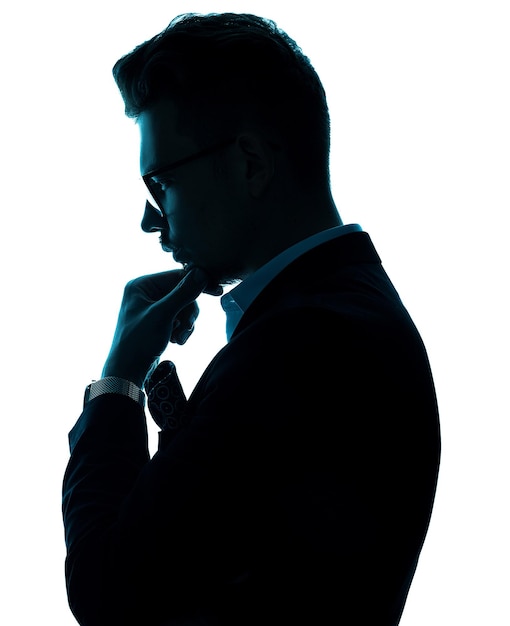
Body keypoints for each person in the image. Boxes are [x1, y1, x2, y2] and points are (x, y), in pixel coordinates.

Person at [62, 12, 441, 626]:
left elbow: (110, 592)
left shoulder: (303, 347)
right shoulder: (340, 317)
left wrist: (119, 380)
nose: (149, 222)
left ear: (250, 164)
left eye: (160, 184)